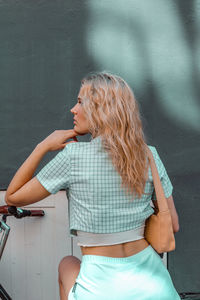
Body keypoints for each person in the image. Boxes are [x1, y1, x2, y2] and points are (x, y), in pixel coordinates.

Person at [5, 72, 180, 300]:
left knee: (67, 263)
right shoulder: (149, 155)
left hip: (101, 289)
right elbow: (173, 224)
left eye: (80, 102)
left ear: (101, 108)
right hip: (156, 287)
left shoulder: (73, 156)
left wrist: (43, 146)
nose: (73, 110)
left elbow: (13, 196)